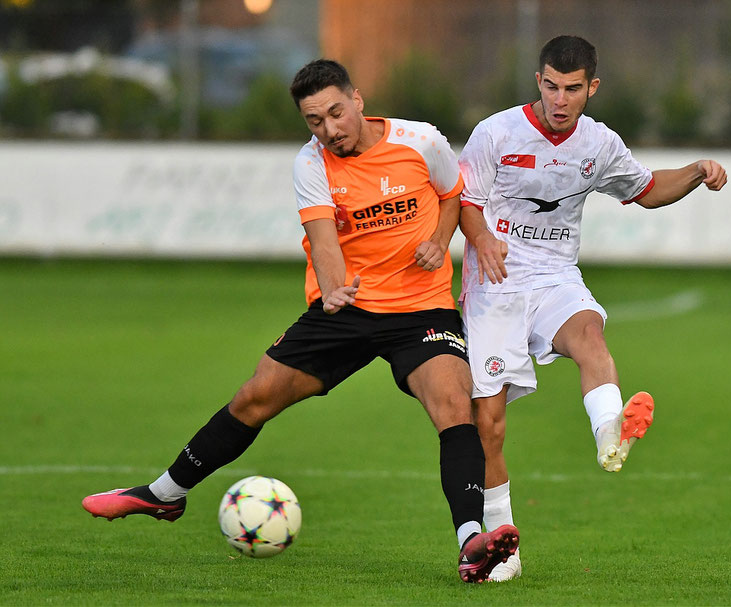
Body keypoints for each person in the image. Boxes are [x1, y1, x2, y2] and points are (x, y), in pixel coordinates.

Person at [82, 59, 518, 584]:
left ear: (357, 100)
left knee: (455, 405)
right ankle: (163, 495)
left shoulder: (421, 141)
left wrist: (437, 240)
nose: (330, 129)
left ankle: (471, 541)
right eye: (315, 121)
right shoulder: (310, 165)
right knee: (254, 397)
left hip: (421, 308)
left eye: (336, 112)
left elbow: (451, 195)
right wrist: (334, 288)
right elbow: (325, 239)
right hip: (347, 309)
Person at [458, 35, 727, 581]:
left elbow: (646, 188)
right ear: (539, 81)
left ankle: (611, 435)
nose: (561, 99)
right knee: (488, 424)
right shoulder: (496, 132)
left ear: (591, 89)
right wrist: (481, 237)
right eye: (552, 86)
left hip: (556, 277)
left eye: (573, 89)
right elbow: (463, 201)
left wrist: (696, 171)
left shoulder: (598, 145)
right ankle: (501, 554)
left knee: (591, 340)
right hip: (496, 284)